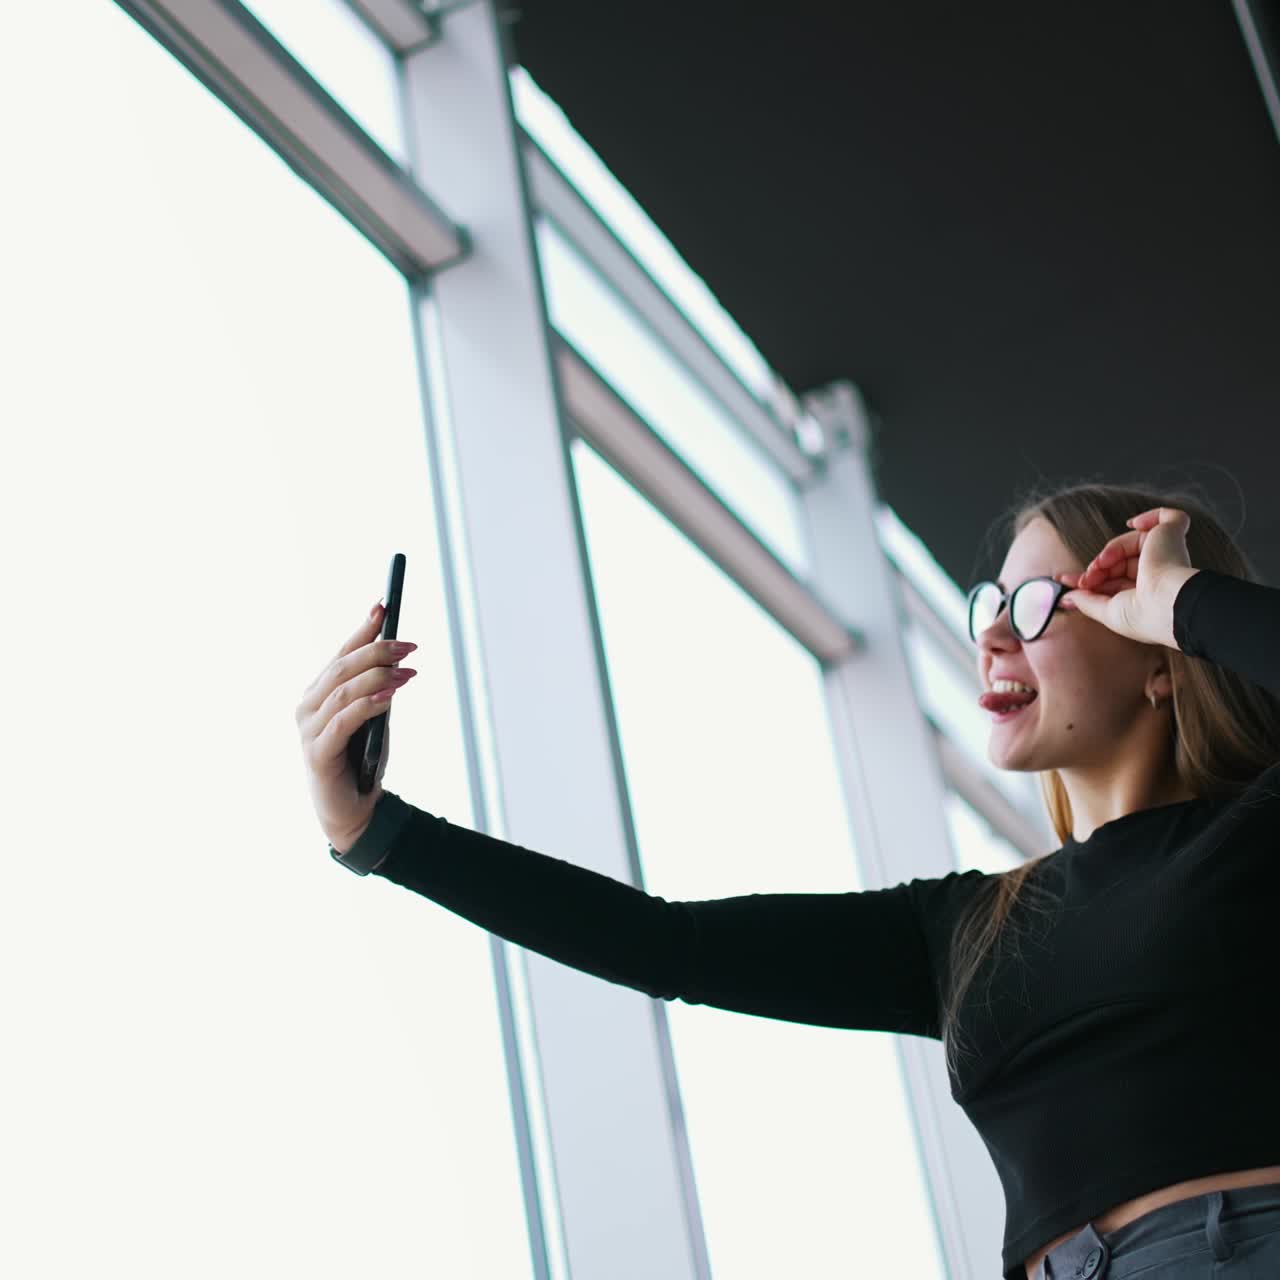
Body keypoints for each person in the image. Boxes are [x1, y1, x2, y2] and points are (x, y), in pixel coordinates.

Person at [295, 482, 1280, 1280]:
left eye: (1039, 603)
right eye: (988, 604)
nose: (989, 637)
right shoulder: (968, 923)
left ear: (1159, 660)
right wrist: (377, 831)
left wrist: (1178, 600)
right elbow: (665, 942)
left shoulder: (1249, 836)